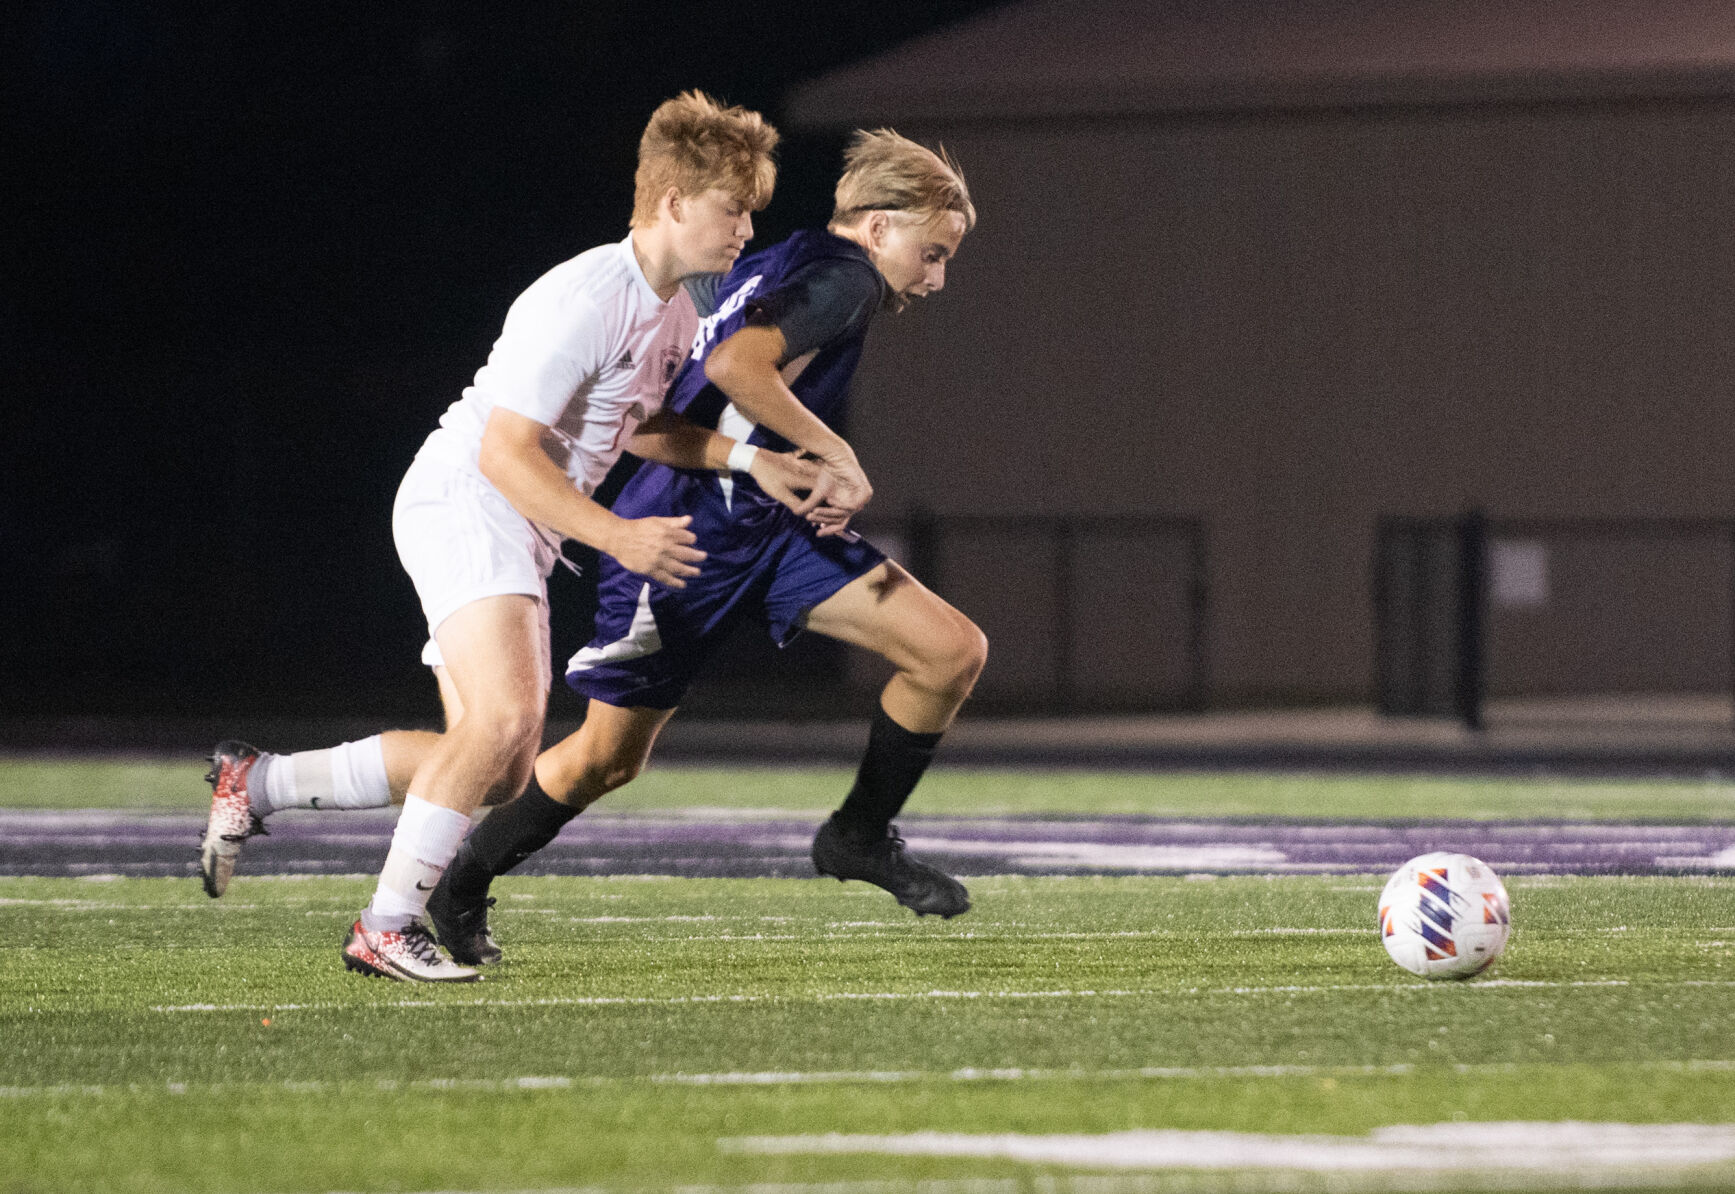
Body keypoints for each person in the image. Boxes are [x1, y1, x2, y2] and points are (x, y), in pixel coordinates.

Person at [199, 92, 809, 983]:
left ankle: (256, 785)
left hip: (515, 515)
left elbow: (639, 427)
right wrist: (621, 539)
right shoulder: (584, 297)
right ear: (674, 201)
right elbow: (504, 451)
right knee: (504, 720)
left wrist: (751, 462)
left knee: (498, 767)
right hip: (471, 496)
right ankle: (383, 926)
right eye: (735, 207)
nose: (748, 228)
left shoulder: (674, 308)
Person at [423, 129, 987, 968]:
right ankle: (459, 882)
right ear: (875, 228)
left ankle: (858, 836)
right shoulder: (846, 278)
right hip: (688, 539)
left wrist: (781, 467)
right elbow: (734, 366)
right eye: (931, 252)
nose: (936, 277)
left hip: (767, 525)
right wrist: (834, 453)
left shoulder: (784, 260)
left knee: (948, 652)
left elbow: (657, 421)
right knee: (603, 762)